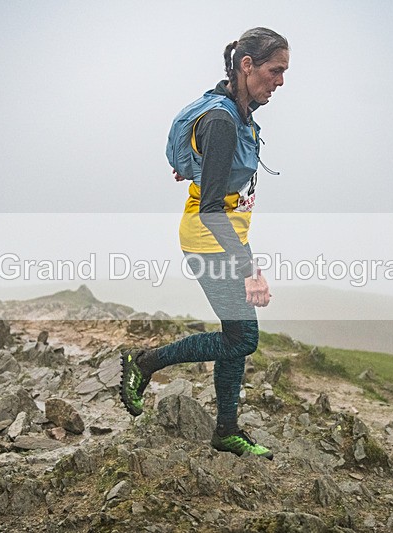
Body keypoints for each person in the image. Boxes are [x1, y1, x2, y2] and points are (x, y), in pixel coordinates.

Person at [120, 27, 289, 460]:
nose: (281, 81)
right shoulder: (222, 119)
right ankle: (146, 362)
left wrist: (202, 165)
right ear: (247, 65)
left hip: (223, 237)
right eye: (275, 70)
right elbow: (212, 207)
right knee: (244, 338)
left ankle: (226, 431)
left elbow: (214, 172)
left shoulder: (233, 108)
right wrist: (249, 269)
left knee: (236, 334)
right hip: (210, 240)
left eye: (284, 72)